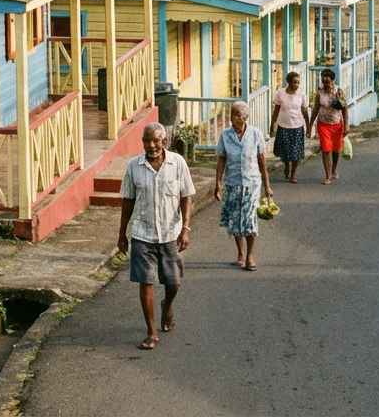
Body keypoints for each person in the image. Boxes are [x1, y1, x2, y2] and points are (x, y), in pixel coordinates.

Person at [116, 123, 196, 351]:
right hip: (142, 233)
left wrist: (186, 229)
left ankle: (167, 306)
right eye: (146, 141)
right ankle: (151, 332)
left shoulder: (177, 163)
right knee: (146, 281)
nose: (151, 145)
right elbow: (127, 201)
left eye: (155, 141)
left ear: (165, 142)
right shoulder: (134, 167)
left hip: (170, 234)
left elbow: (186, 196)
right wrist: (122, 234)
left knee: (174, 282)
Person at [215, 101, 273, 272]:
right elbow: (221, 159)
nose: (236, 117)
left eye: (239, 114)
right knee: (234, 220)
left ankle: (250, 256)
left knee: (248, 220)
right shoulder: (225, 135)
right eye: (234, 114)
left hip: (251, 183)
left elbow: (262, 160)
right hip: (232, 183)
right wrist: (217, 184)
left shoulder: (255, 134)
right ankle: (240, 253)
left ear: (245, 117)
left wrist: (267, 186)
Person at [270, 71, 311, 183]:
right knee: (285, 151)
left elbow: (305, 111)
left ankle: (293, 174)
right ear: (288, 82)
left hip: (297, 127)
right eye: (294, 82)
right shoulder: (280, 93)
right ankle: (287, 166)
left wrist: (308, 127)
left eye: (298, 82)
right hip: (283, 126)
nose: (296, 85)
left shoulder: (302, 95)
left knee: (295, 152)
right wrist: (272, 124)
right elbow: (276, 110)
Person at [309, 68, 348, 184]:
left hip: (337, 125)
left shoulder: (339, 92)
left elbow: (345, 109)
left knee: (336, 150)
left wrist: (347, 126)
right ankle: (328, 175)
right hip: (323, 125)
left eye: (327, 81)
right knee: (326, 149)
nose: (325, 84)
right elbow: (316, 109)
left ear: (332, 81)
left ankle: (334, 170)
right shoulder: (319, 93)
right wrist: (310, 125)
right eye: (323, 81)